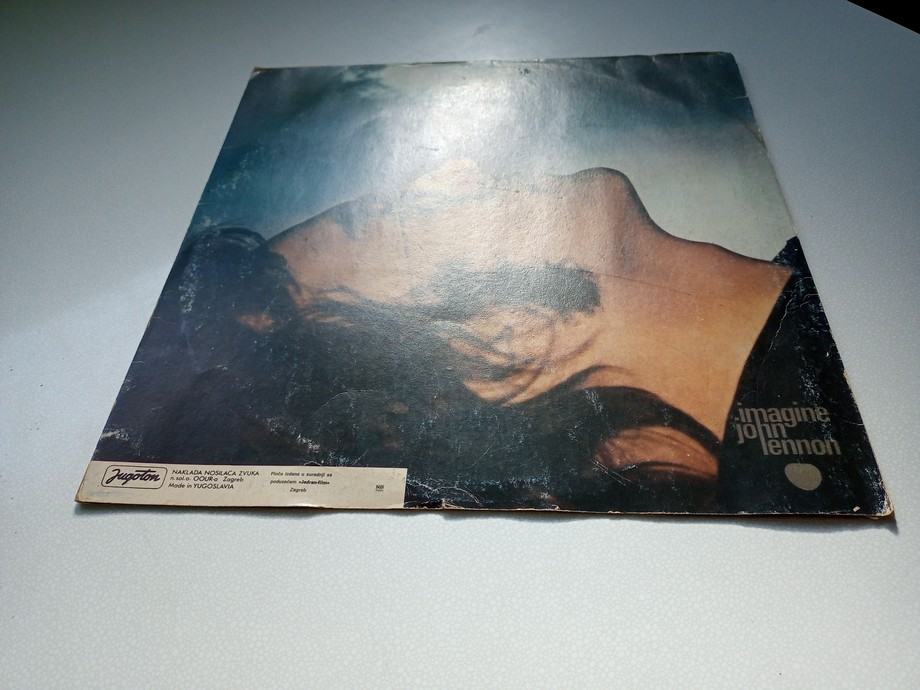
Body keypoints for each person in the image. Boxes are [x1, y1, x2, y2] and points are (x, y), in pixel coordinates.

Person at [105, 162, 882, 512]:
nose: (453, 167)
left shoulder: (856, 274)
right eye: (390, 218)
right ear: (502, 346)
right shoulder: (857, 432)